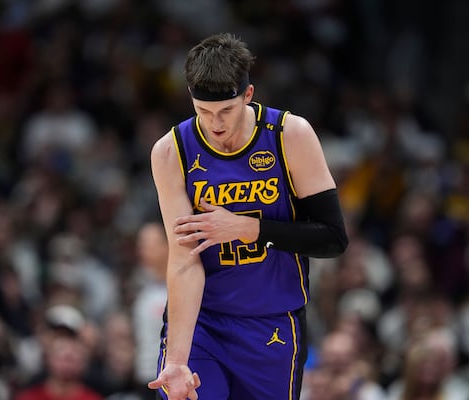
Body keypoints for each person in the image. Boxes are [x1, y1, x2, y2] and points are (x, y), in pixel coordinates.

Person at [147, 32, 348, 400]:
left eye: (226, 110)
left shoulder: (290, 135)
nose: (215, 124)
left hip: (272, 323)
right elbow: (183, 260)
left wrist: (250, 229)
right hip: (203, 324)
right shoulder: (170, 152)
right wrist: (176, 359)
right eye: (204, 112)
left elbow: (332, 238)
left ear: (248, 95)